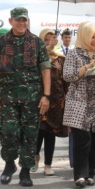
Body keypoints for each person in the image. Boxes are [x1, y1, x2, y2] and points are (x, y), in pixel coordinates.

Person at [0, 7, 51, 187]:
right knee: (8, 131)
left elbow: (45, 69)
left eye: (25, 20)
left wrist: (46, 95)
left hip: (32, 97)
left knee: (30, 134)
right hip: (7, 96)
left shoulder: (37, 42)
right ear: (10, 21)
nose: (22, 23)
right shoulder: (0, 42)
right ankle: (9, 164)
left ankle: (25, 171)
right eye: (18, 20)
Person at [63, 22, 95, 187]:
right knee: (81, 141)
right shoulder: (74, 54)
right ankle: (80, 175)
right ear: (84, 36)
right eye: (92, 36)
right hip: (80, 103)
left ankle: (90, 173)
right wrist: (88, 67)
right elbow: (68, 76)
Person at [33, 29, 68, 177]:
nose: (49, 43)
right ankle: (35, 158)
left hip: (56, 102)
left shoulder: (60, 58)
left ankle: (48, 164)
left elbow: (67, 81)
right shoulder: (35, 57)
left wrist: (61, 70)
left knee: (50, 133)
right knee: (38, 132)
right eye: (45, 40)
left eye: (52, 39)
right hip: (39, 100)